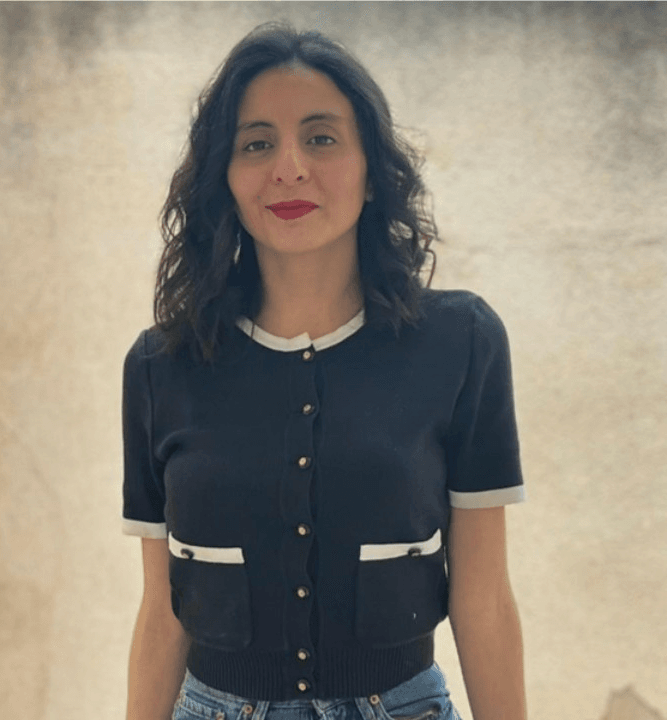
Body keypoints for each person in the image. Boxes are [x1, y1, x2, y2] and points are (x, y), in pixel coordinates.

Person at [122, 21, 527, 720]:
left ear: (372, 173)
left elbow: (483, 598)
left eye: (321, 138)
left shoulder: (461, 343)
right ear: (225, 179)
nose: (289, 168)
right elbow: (163, 611)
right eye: (256, 144)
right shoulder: (163, 367)